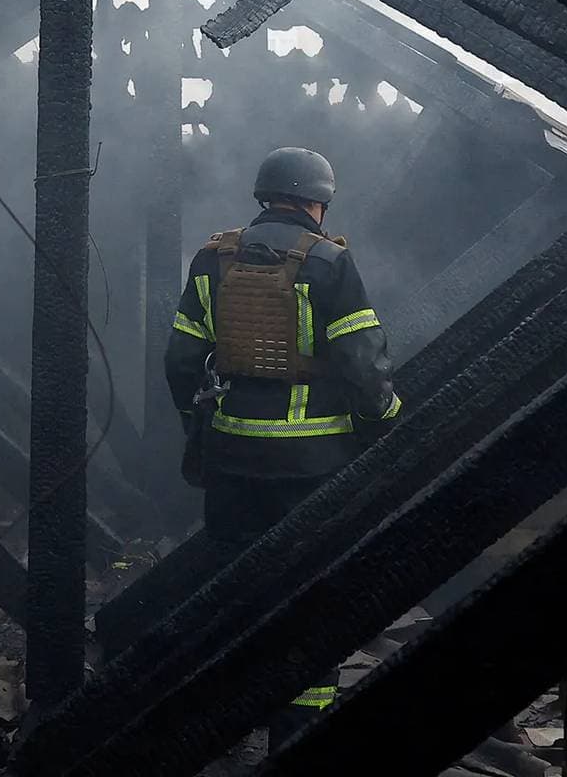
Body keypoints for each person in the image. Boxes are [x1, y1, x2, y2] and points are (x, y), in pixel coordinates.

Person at [164, 145, 400, 750]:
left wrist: (202, 424)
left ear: (264, 196)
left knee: (236, 588)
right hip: (313, 466)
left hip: (233, 460)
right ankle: (295, 736)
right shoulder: (329, 263)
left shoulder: (211, 257)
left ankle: (220, 720)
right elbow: (361, 360)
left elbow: (182, 360)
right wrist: (388, 418)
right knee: (309, 598)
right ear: (317, 202)